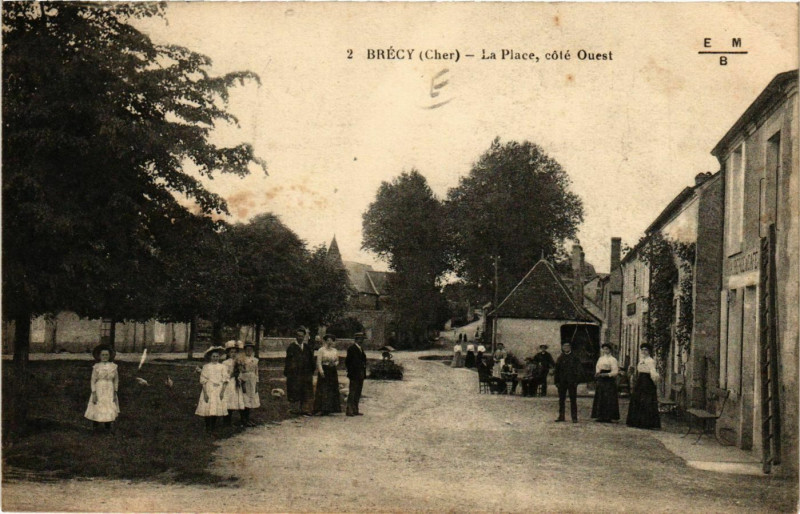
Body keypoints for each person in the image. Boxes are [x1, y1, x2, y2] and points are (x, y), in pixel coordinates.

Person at [84, 344, 119, 432]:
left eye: (106, 355)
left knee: (108, 405)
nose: (105, 357)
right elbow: (93, 381)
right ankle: (95, 426)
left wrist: (115, 392)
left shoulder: (114, 367)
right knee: (97, 405)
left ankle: (108, 426)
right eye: (103, 355)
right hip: (99, 388)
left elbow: (116, 380)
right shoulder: (96, 367)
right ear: (99, 356)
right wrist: (94, 393)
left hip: (109, 388)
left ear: (110, 356)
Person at [626, 344, 661, 429]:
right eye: (642, 350)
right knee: (637, 399)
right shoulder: (641, 360)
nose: (644, 351)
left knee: (646, 401)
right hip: (640, 380)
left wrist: (655, 380)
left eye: (646, 350)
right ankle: (637, 421)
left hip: (647, 382)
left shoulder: (650, 361)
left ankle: (647, 422)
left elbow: (653, 372)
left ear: (649, 351)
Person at [195, 346, 228, 433]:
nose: (215, 358)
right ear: (210, 357)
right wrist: (205, 393)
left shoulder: (222, 367)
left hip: (218, 389)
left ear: (219, 357)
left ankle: (213, 427)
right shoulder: (206, 367)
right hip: (209, 388)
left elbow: (225, 380)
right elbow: (203, 380)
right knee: (208, 407)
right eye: (213, 356)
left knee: (215, 408)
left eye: (217, 356)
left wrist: (222, 392)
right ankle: (207, 427)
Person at [284, 328, 315, 416]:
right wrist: (289, 372)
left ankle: (304, 409)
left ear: (304, 337)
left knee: (306, 391)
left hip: (306, 374)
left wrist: (311, 371)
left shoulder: (307, 348)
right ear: (296, 337)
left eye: (302, 336)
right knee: (295, 391)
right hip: (295, 374)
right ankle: (295, 409)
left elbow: (311, 360)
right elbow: (288, 361)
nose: (300, 338)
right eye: (298, 336)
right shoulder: (291, 347)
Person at [554, 342, 583, 423]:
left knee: (573, 400)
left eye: (567, 346)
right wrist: (556, 381)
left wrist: (576, 381)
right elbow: (557, 370)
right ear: (562, 348)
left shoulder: (575, 357)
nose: (566, 348)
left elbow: (579, 370)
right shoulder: (560, 357)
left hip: (572, 382)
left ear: (570, 347)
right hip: (562, 382)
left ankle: (574, 417)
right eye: (564, 346)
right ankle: (561, 416)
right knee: (561, 400)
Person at [591, 344, 620, 423]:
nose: (605, 351)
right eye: (604, 349)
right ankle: (600, 415)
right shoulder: (601, 359)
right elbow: (597, 367)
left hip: (609, 380)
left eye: (607, 349)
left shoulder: (613, 359)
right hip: (601, 379)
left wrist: (607, 375)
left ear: (610, 350)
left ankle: (608, 416)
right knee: (600, 396)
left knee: (608, 397)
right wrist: (597, 373)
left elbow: (615, 371)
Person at [314, 334, 342, 415]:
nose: (329, 342)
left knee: (332, 389)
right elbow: (318, 362)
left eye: (331, 340)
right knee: (323, 389)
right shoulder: (321, 350)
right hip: (325, 370)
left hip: (332, 371)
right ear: (325, 341)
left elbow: (337, 360)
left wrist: (335, 364)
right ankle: (321, 408)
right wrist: (321, 372)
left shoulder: (335, 350)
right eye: (328, 340)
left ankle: (331, 408)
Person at [222, 340, 246, 426]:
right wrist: (232, 374)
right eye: (231, 352)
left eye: (235, 352)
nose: (233, 354)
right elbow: (224, 374)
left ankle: (243, 420)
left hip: (237, 382)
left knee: (238, 400)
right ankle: (227, 421)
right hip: (229, 383)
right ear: (228, 353)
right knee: (229, 400)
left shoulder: (238, 361)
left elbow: (242, 371)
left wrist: (240, 372)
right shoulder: (225, 363)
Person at [345, 332, 368, 416]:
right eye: (359, 339)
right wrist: (351, 371)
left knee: (358, 391)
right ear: (356, 339)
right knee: (352, 391)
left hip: (361, 373)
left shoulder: (361, 349)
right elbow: (348, 362)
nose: (361, 341)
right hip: (354, 374)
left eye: (362, 339)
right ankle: (349, 410)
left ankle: (355, 409)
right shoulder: (351, 349)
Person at [239, 341, 260, 427]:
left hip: (252, 380)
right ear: (244, 350)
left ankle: (247, 419)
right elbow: (240, 372)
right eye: (247, 349)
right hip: (244, 380)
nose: (249, 351)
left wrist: (257, 383)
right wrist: (242, 382)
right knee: (244, 399)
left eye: (250, 349)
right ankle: (243, 419)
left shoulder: (255, 360)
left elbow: (256, 372)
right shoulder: (241, 360)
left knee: (251, 399)